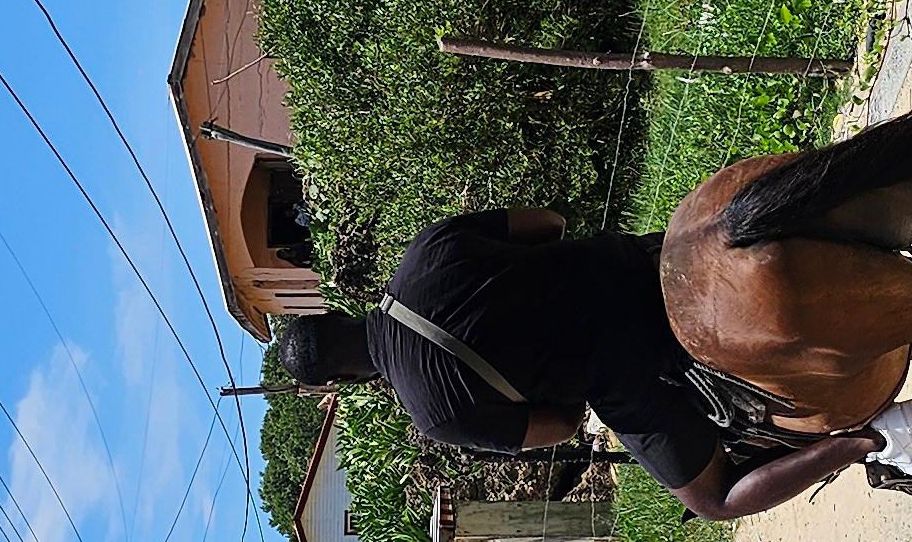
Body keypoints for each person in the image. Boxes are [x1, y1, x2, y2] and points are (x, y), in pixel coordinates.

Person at [272, 205, 877, 520]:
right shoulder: (426, 251)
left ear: (340, 381)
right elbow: (549, 224)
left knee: (713, 500)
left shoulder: (433, 413)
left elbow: (560, 427)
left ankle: (862, 443)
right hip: (629, 264)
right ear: (335, 313)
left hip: (628, 368)